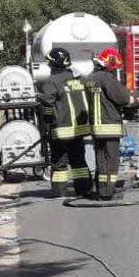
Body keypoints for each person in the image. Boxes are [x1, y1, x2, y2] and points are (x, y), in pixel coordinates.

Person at [36, 47, 92, 198]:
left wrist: (47, 121)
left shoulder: (52, 81)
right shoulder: (78, 78)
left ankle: (59, 191)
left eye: (50, 62)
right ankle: (84, 189)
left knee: (59, 162)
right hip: (80, 128)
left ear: (55, 63)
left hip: (62, 129)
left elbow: (47, 103)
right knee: (78, 160)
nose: (48, 65)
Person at [84, 48, 136, 200]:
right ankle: (107, 192)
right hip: (109, 125)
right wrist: (134, 100)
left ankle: (101, 190)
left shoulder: (90, 78)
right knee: (112, 160)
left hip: (96, 126)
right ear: (111, 64)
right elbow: (123, 98)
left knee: (101, 160)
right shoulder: (107, 78)